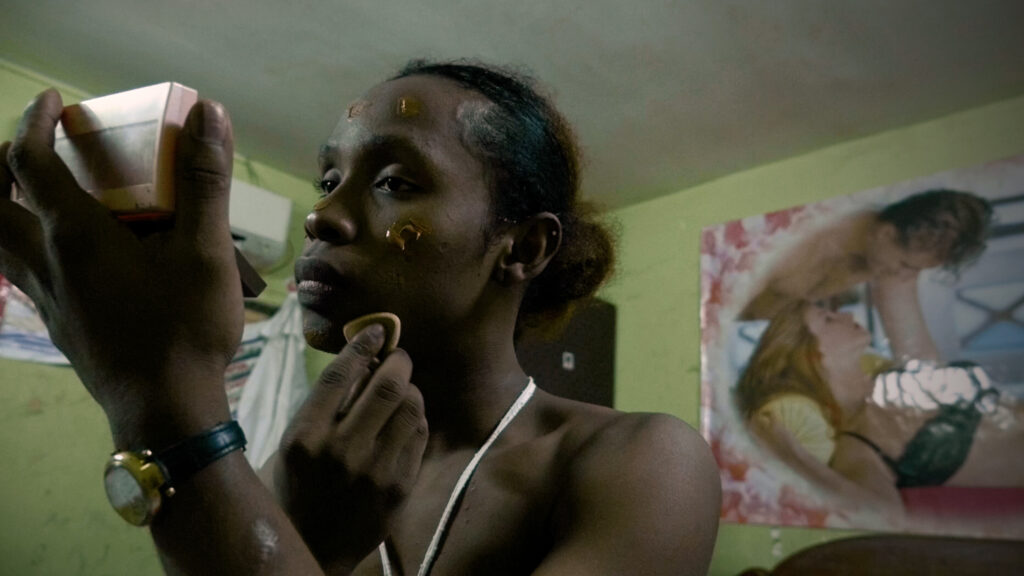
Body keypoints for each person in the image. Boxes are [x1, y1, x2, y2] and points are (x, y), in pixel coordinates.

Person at [0, 60, 720, 575]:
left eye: (394, 182)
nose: (321, 215)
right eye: (329, 180)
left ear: (523, 247)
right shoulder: (309, 462)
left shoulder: (642, 464)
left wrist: (167, 402)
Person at [735, 300, 1024, 517]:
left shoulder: (891, 379)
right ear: (812, 353)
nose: (847, 314)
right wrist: (792, 455)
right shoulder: (857, 443)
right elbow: (884, 514)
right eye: (828, 318)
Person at [739, 189, 993, 354]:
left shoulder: (886, 257)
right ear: (886, 233)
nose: (904, 275)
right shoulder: (801, 236)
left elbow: (914, 349)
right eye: (906, 266)